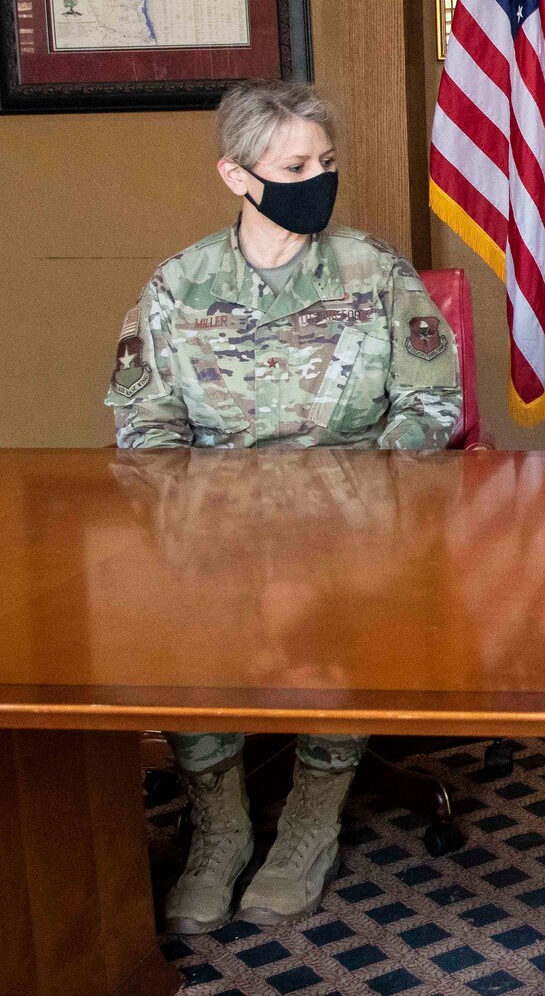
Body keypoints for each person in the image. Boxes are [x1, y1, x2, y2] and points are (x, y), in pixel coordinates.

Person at [107, 80, 462, 934]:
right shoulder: (180, 285)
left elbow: (430, 407)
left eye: (326, 162)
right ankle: (220, 827)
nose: (318, 178)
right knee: (179, 631)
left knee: (339, 617)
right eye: (296, 165)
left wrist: (355, 502)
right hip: (215, 526)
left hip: (352, 519)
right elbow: (142, 423)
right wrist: (199, 515)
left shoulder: (374, 271)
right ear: (237, 174)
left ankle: (310, 818)